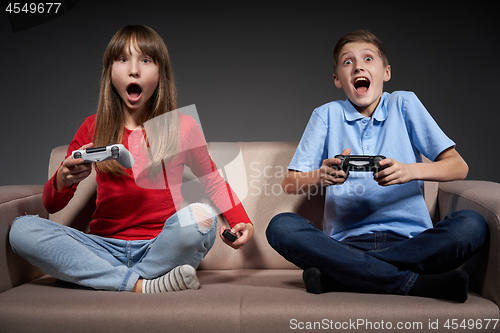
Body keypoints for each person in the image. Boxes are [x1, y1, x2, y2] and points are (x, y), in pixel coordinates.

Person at [9, 25, 254, 293]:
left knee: (203, 218)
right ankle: (142, 285)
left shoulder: (182, 127)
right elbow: (51, 205)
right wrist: (62, 180)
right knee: (22, 230)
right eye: (123, 59)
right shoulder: (92, 127)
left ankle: (106, 279)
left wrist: (242, 221)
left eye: (146, 60)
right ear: (110, 72)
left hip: (160, 247)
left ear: (161, 73)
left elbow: (212, 181)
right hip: (102, 247)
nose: (133, 70)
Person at [265, 30, 487, 302]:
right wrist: (320, 176)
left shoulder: (405, 104)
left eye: (368, 59)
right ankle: (412, 283)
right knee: (281, 226)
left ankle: (346, 275)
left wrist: (409, 171)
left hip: (414, 243)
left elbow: (458, 167)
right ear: (337, 80)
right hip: (344, 245)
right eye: (348, 62)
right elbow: (290, 183)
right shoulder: (326, 115)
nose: (358, 66)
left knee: (471, 224)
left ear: (386, 72)